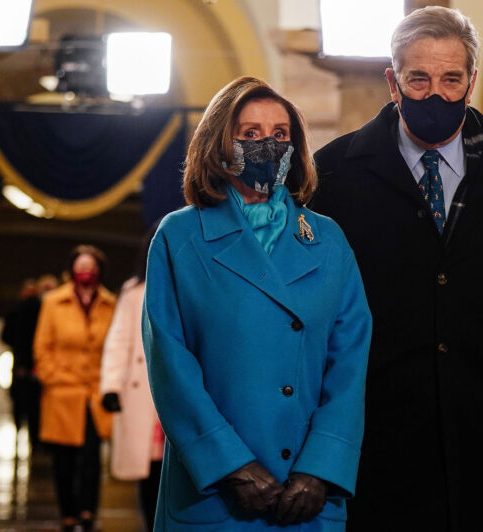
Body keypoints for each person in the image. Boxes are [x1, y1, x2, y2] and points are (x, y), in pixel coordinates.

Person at [308, 7, 483, 531]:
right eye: (419, 79)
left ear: (471, 81)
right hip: (377, 426)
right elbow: (315, 296)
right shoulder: (335, 171)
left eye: (451, 79)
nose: (435, 93)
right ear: (393, 82)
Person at [142, 76, 372, 531]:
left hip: (305, 495)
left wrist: (321, 467)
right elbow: (170, 363)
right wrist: (231, 466)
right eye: (250, 134)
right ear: (218, 144)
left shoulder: (327, 239)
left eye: (280, 134)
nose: (268, 145)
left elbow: (350, 361)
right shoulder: (179, 236)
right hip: (215, 492)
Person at [34, 245, 116, 532]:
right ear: (71, 269)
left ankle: (87, 513)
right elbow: (42, 348)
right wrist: (53, 376)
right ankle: (67, 513)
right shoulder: (53, 302)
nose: (86, 272)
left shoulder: (110, 303)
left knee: (92, 460)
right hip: (62, 393)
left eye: (91, 267)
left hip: (95, 394)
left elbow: (115, 348)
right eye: (81, 266)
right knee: (64, 461)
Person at [100, 224, 163, 531]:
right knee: (149, 469)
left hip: (177, 390)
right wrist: (111, 386)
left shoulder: (192, 283)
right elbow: (119, 340)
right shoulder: (132, 291)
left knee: (178, 467)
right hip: (143, 391)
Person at [2, 274, 58, 450]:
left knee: (30, 411)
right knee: (30, 410)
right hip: (29, 368)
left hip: (32, 368)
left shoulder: (44, 310)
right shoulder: (32, 309)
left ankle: (32, 444)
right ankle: (34, 445)